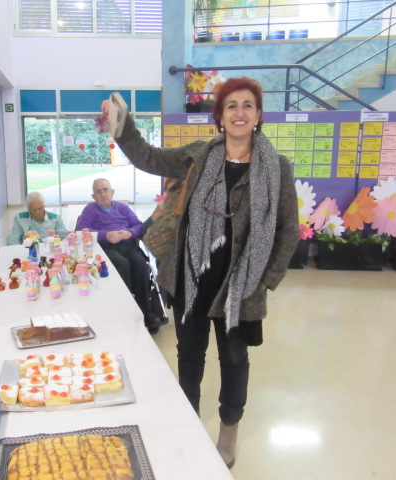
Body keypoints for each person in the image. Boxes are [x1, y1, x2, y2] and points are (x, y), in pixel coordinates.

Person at [102, 78, 299, 468]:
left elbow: (288, 229)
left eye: (247, 105)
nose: (239, 112)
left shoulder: (276, 167)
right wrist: (124, 128)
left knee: (234, 359)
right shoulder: (198, 155)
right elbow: (149, 158)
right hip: (190, 278)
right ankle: (188, 424)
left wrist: (266, 279)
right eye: (231, 106)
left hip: (240, 287)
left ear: (258, 115)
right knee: (189, 355)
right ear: (220, 117)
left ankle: (228, 433)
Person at [77, 178, 167, 332]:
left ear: (112, 192)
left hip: (127, 245)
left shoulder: (123, 208)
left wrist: (129, 233)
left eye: (106, 190)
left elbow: (138, 225)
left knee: (140, 263)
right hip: (105, 247)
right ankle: (126, 311)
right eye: (98, 192)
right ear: (93, 196)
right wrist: (106, 235)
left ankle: (146, 312)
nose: (103, 194)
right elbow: (81, 231)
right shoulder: (90, 210)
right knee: (122, 264)